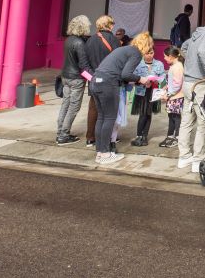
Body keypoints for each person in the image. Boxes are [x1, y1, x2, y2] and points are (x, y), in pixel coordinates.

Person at [89, 31, 153, 166]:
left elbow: (121, 73)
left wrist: (135, 80)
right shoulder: (136, 53)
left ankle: (100, 152)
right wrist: (142, 79)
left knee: (101, 117)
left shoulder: (124, 49)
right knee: (109, 118)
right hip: (108, 84)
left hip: (95, 81)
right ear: (146, 45)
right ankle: (106, 154)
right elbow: (126, 74)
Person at [176, 13, 205, 173]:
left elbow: (183, 48)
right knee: (204, 122)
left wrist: (190, 63)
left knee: (187, 120)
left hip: (188, 82)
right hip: (200, 84)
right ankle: (198, 159)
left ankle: (183, 157)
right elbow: (203, 51)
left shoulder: (197, 34)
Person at [55, 15, 92, 145]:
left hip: (65, 76)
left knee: (65, 104)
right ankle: (64, 135)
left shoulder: (69, 40)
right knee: (74, 107)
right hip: (76, 78)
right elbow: (83, 66)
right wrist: (92, 78)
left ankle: (60, 132)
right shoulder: (80, 43)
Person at [83, 14, 117, 149]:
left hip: (93, 78)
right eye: (112, 23)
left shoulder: (90, 40)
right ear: (109, 25)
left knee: (93, 108)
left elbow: (84, 62)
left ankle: (90, 137)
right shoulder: (113, 39)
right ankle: (106, 138)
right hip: (109, 79)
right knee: (108, 112)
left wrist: (91, 77)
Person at [129, 33, 165, 147]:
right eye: (147, 53)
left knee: (149, 114)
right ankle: (139, 135)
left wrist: (156, 80)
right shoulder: (138, 64)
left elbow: (163, 78)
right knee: (142, 114)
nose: (149, 55)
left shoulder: (158, 64)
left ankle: (144, 136)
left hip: (153, 92)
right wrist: (142, 81)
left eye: (151, 53)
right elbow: (132, 77)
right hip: (141, 91)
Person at [160, 46, 185, 148]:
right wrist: (166, 87)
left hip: (176, 97)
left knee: (176, 117)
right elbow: (173, 82)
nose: (164, 58)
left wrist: (168, 94)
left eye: (165, 56)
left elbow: (177, 84)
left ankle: (177, 137)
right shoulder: (174, 66)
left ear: (170, 56)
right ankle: (170, 136)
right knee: (172, 116)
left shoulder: (177, 67)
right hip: (173, 96)